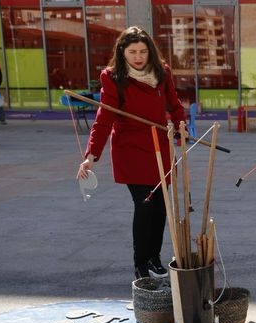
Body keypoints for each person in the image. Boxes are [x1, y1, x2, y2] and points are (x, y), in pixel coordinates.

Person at [76, 26, 186, 281]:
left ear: (150, 52)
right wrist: (91, 154)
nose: (138, 57)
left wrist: (181, 129)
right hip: (131, 148)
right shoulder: (112, 77)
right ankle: (140, 262)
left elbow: (174, 104)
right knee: (145, 205)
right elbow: (104, 118)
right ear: (122, 52)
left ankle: (154, 258)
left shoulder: (162, 72)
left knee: (160, 208)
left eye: (143, 51)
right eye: (132, 51)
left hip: (159, 147)